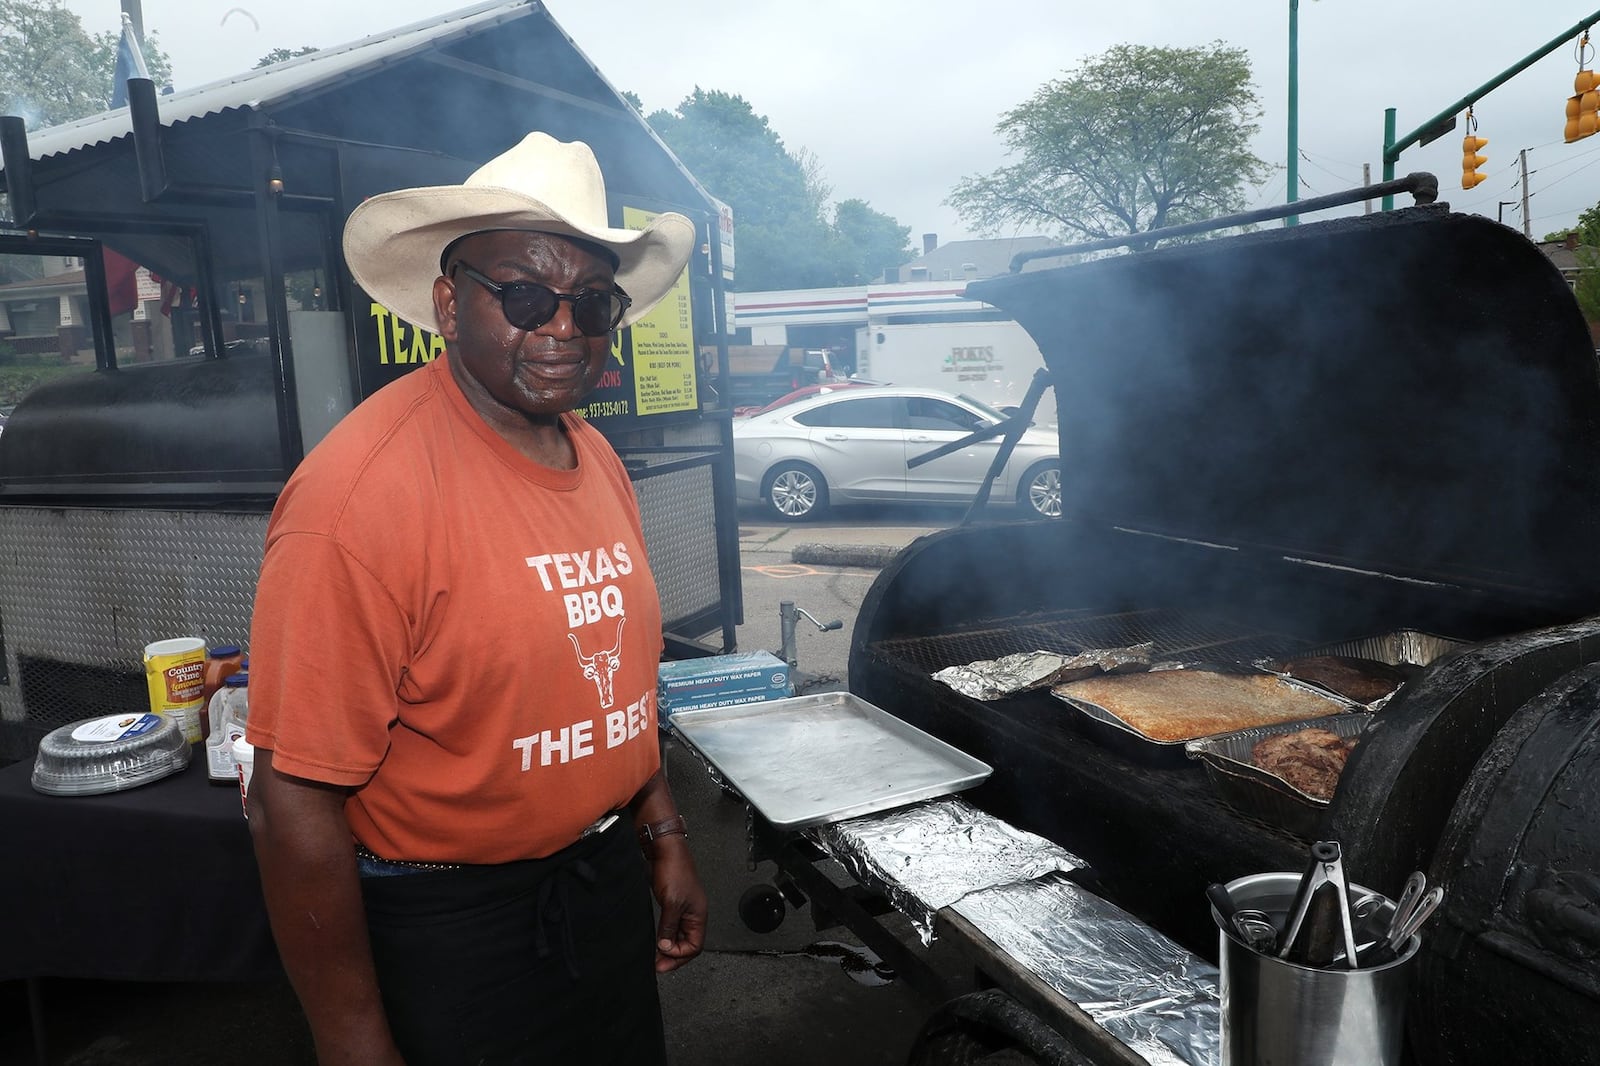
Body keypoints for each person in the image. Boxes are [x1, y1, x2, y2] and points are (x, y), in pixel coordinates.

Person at [244, 132, 707, 1066]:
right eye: (528, 296)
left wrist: (659, 830)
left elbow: (612, 673)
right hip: (456, 930)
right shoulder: (355, 501)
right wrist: (354, 1047)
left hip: (600, 883)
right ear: (449, 306)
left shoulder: (596, 456)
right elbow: (289, 799)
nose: (563, 328)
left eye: (591, 302)